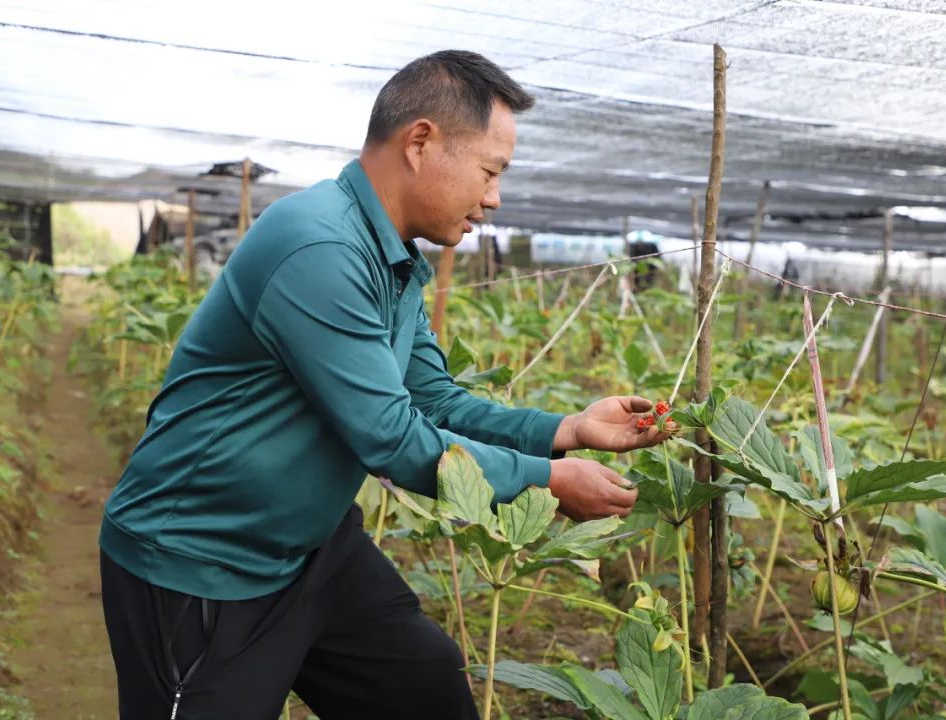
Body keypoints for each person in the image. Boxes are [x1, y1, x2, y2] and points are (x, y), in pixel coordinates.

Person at [99, 50, 672, 720]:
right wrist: (549, 482)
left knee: (423, 691)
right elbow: (392, 439)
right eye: (490, 171)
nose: (494, 197)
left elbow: (434, 402)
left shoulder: (391, 258)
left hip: (310, 548)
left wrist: (568, 431)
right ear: (421, 142)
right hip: (203, 560)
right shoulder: (321, 248)